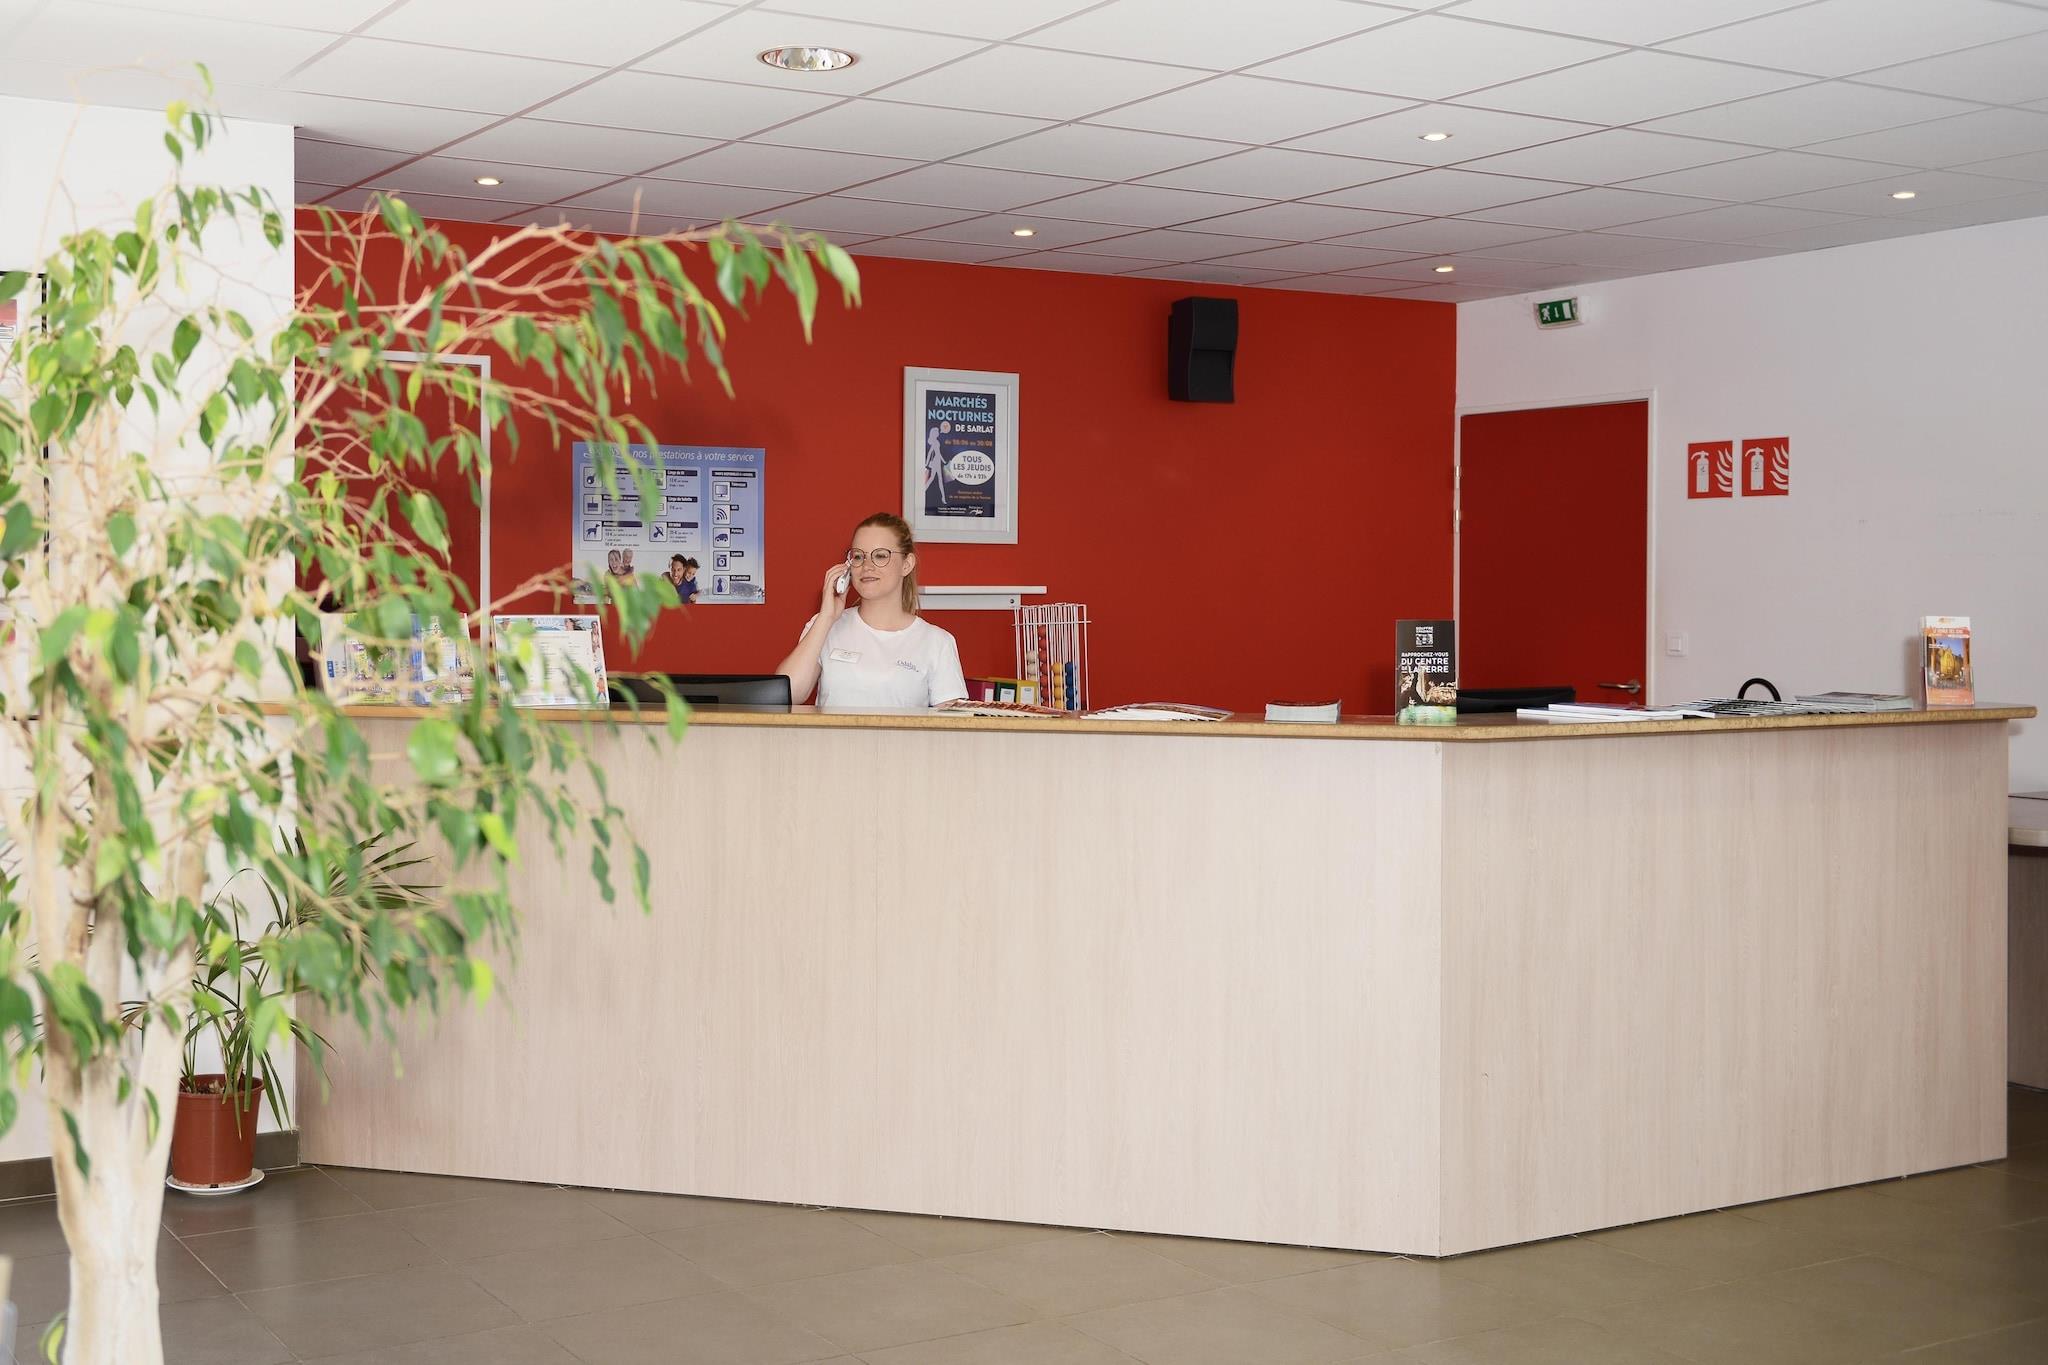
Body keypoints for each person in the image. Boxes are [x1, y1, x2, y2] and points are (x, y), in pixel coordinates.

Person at [776, 512, 966, 709]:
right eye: (858, 556)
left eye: (880, 556)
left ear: (906, 564)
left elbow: (953, 724)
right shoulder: (825, 626)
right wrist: (826, 617)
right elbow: (787, 696)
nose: (866, 566)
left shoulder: (937, 642)